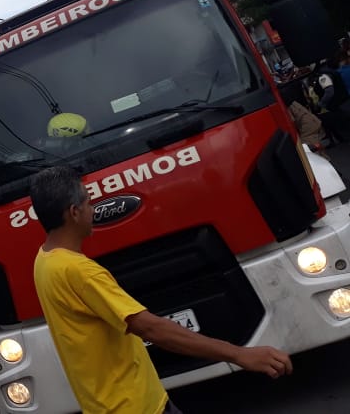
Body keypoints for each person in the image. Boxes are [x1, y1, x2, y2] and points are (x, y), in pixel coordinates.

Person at [29, 167, 292, 414]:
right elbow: (151, 328)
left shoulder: (44, 260)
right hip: (135, 406)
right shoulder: (80, 272)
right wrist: (240, 354)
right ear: (73, 212)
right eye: (88, 202)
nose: (93, 210)